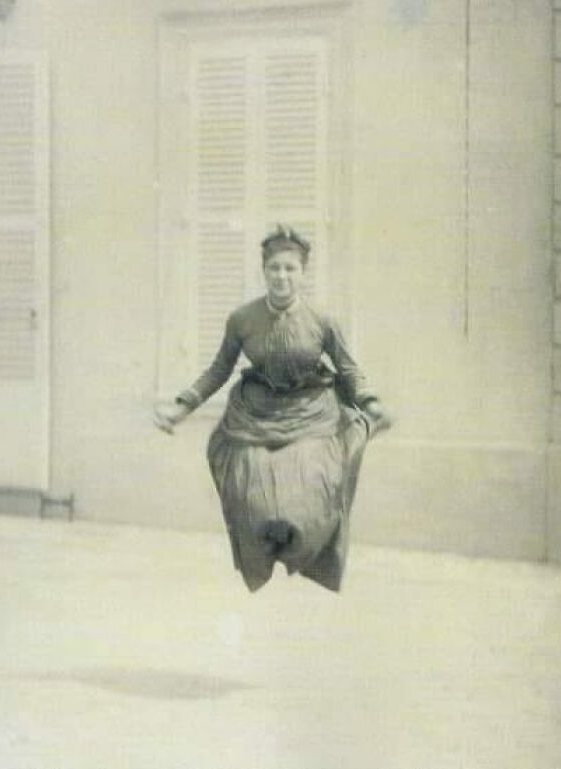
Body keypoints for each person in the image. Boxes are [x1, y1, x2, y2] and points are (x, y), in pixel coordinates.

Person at [154, 225, 393, 592]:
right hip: (255, 415)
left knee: (311, 491)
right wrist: (181, 407)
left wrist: (370, 402)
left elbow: (348, 368)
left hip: (312, 413)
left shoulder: (323, 320)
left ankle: (308, 557)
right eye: (274, 269)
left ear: (302, 273)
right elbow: (219, 369)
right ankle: (265, 556)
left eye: (290, 269)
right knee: (249, 490)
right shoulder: (242, 320)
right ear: (263, 271)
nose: (282, 277)